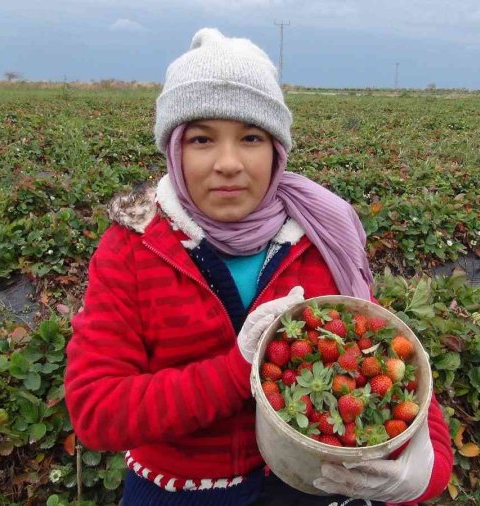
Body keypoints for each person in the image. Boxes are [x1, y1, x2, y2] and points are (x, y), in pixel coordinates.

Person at [64, 27, 453, 506]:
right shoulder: (134, 247)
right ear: (174, 148)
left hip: (315, 486)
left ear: (277, 150)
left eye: (250, 137)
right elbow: (97, 410)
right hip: (181, 493)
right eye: (203, 139)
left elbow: (387, 362)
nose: (228, 163)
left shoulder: (321, 234)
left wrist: (427, 469)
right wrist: (235, 371)